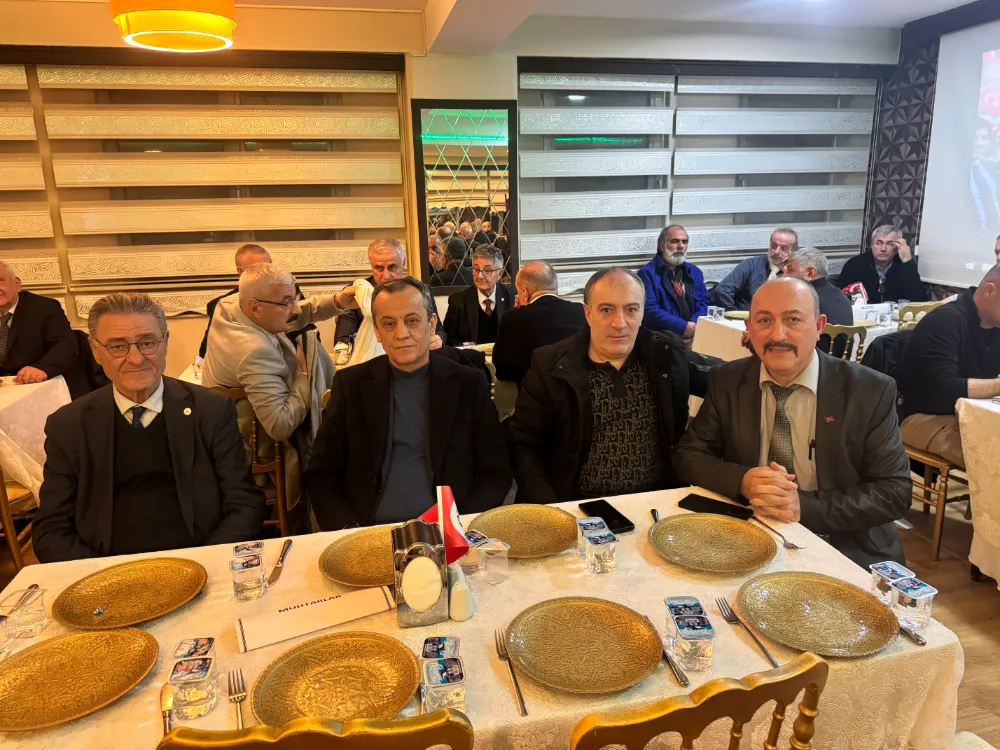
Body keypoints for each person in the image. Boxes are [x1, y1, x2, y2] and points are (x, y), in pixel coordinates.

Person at [674, 277, 911, 568]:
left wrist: (804, 507)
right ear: (748, 328)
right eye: (764, 320)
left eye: (793, 319)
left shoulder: (869, 390)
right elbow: (688, 456)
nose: (778, 334)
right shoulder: (728, 380)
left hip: (843, 544)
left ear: (819, 326)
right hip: (753, 535)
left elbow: (894, 493)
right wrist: (743, 481)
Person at [33, 292, 266, 562]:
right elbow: (50, 530)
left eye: (147, 343)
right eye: (117, 346)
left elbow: (245, 504)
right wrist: (103, 575)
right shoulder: (69, 425)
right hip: (107, 570)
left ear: (165, 342)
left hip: (199, 562)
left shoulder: (211, 410)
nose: (136, 358)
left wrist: (203, 564)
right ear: (95, 350)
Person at [306, 277, 511, 528]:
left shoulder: (468, 384)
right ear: (377, 332)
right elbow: (322, 472)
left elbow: (496, 470)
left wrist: (460, 526)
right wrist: (348, 529)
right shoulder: (351, 385)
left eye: (412, 321)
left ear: (431, 325)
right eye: (389, 324)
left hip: (449, 527)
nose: (401, 334)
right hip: (367, 528)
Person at [505, 267, 716, 505]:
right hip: (575, 504)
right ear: (588, 314)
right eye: (606, 310)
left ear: (642, 312)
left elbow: (728, 379)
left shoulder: (666, 356)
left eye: (631, 309)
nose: (619, 323)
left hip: (657, 500)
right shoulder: (550, 366)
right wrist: (549, 505)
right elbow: (522, 443)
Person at [201, 264, 357, 510]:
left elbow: (290, 315)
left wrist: (337, 302)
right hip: (251, 452)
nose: (296, 308)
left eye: (294, 298)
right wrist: (304, 374)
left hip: (218, 434)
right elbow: (280, 425)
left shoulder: (230, 306)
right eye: (286, 302)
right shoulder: (255, 352)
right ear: (255, 307)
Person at [894, 264, 1000, 468]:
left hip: (968, 415)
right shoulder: (945, 321)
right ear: (989, 291)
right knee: (992, 458)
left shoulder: (995, 326)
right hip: (920, 416)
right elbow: (944, 389)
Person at [335, 239, 445, 366]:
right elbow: (342, 341)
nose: (386, 276)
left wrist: (438, 339)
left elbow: (439, 330)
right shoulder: (355, 295)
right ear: (371, 266)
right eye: (379, 268)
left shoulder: (420, 291)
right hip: (370, 366)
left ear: (403, 263)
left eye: (392, 267)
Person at [492, 260, 587, 386]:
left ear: (524, 292)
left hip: (534, 393)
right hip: (577, 391)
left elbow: (501, 370)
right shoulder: (581, 311)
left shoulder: (512, 317)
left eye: (518, 291)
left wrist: (516, 314)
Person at [0, 261, 87, 397]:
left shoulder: (45, 308)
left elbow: (66, 345)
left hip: (42, 388)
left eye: (0, 281)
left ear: (17, 284)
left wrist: (42, 368)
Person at [199, 244, 272, 359]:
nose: (268, 274)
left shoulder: (289, 294)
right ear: (241, 271)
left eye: (269, 267)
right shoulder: (223, 307)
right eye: (259, 269)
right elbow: (207, 353)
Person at [638, 224, 710, 340]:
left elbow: (704, 301)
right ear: (661, 246)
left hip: (696, 333)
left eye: (684, 242)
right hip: (665, 339)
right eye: (675, 241)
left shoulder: (695, 272)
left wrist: (693, 324)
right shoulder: (647, 274)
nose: (681, 246)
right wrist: (683, 327)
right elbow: (649, 310)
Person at [443, 245, 515, 345]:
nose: (480, 276)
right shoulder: (457, 300)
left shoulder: (512, 296)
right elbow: (448, 338)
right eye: (476, 270)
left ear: (500, 274)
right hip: (471, 354)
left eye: (487, 271)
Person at [712, 227, 798, 311]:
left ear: (793, 250)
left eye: (784, 248)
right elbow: (722, 291)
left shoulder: (797, 271)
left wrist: (790, 274)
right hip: (746, 316)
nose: (776, 252)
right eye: (774, 246)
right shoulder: (751, 264)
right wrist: (736, 315)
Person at [836, 225, 927, 304]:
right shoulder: (855, 265)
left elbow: (919, 300)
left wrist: (907, 261)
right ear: (872, 245)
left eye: (890, 244)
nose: (883, 249)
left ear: (898, 246)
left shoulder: (904, 266)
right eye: (878, 243)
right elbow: (840, 299)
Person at [782, 247, 853, 325]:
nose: (784, 275)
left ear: (810, 273)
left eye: (790, 270)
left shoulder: (803, 299)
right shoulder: (842, 297)